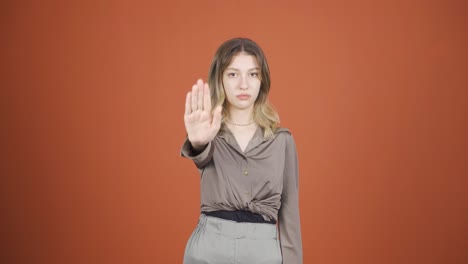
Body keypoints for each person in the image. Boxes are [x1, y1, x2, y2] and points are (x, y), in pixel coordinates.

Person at [181, 37, 302, 264]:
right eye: (233, 74)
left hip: (263, 254)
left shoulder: (282, 141)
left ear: (262, 80)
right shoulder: (209, 133)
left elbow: (290, 216)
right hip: (208, 251)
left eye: (253, 74)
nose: (243, 84)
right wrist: (197, 142)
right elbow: (201, 155)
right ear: (220, 79)